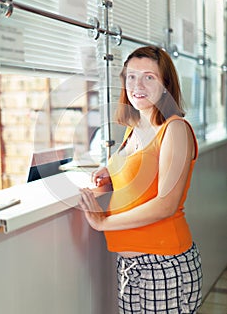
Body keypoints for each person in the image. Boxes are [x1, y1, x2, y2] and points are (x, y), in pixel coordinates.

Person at [78, 45, 203, 313]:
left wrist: (104, 222)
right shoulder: (134, 129)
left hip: (164, 264)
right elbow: (142, 174)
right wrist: (111, 172)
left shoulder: (174, 129)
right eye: (131, 76)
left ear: (166, 84)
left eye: (149, 77)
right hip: (130, 266)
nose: (138, 84)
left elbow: (165, 204)